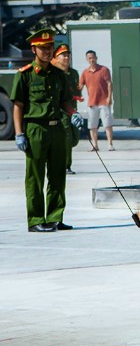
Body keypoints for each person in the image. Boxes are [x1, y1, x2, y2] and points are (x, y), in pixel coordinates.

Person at [13, 28, 83, 232]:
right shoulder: (25, 75)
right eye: (43, 48)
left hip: (57, 129)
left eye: (50, 47)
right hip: (35, 129)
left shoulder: (58, 75)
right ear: (34, 49)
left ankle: (54, 217)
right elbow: (18, 106)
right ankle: (36, 220)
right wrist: (19, 133)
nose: (47, 51)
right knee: (35, 178)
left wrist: (73, 114)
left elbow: (64, 102)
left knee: (57, 175)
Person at [52, 45, 80, 174]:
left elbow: (76, 90)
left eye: (68, 55)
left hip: (73, 110)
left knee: (74, 139)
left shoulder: (74, 73)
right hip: (61, 112)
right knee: (67, 137)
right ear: (56, 58)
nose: (67, 58)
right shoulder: (54, 74)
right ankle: (65, 166)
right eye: (63, 55)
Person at [80, 49, 113, 151]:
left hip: (104, 101)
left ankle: (110, 144)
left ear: (96, 58)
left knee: (107, 124)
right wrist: (78, 95)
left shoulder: (104, 70)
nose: (91, 60)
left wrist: (109, 97)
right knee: (92, 125)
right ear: (86, 59)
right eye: (89, 58)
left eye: (93, 58)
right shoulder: (85, 72)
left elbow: (109, 83)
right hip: (92, 103)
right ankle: (95, 145)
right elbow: (80, 85)